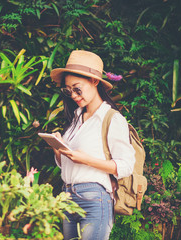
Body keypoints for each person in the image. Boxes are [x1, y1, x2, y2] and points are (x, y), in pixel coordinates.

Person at [50, 50, 135, 240]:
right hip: (67, 197)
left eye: (77, 88)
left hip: (94, 198)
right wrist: (58, 148)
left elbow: (126, 165)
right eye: (68, 90)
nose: (72, 95)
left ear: (94, 81)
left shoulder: (111, 118)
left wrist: (87, 160)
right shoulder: (76, 119)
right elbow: (67, 164)